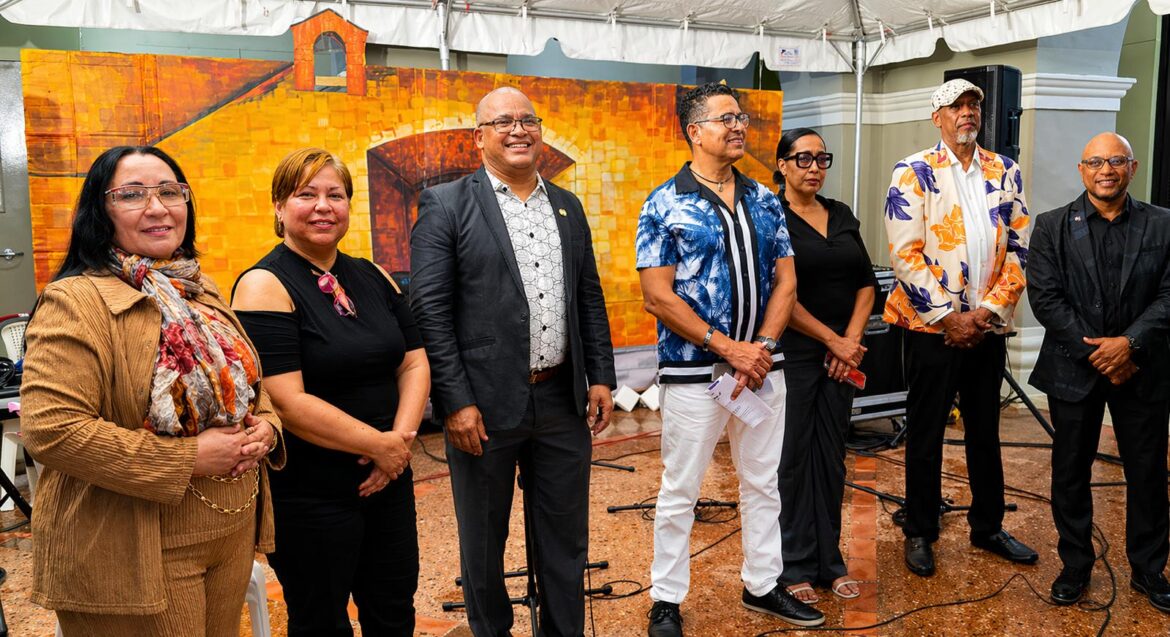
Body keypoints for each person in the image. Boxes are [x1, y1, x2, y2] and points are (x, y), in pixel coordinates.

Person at [20, 145, 283, 636]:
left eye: (169, 192)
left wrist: (267, 427)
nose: (157, 207)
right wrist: (189, 458)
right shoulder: (74, 301)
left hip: (229, 530)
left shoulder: (200, 287)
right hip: (132, 544)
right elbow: (52, 430)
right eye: (132, 194)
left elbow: (248, 385)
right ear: (100, 211)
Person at [409, 86, 616, 637]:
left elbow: (588, 296)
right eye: (503, 122)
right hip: (482, 405)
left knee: (565, 539)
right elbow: (429, 311)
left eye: (528, 120)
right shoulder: (446, 204)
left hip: (561, 400)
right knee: (483, 541)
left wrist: (600, 376)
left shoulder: (568, 206)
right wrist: (455, 401)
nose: (518, 130)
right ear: (479, 137)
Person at [636, 82, 823, 637]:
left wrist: (760, 348)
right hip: (696, 374)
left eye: (740, 118)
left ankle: (762, 584)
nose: (739, 126)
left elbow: (786, 283)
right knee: (681, 490)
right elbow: (657, 296)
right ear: (695, 131)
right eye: (726, 119)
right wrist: (728, 348)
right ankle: (666, 599)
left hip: (763, 370)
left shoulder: (765, 198)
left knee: (763, 482)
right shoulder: (663, 203)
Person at [232, 148, 429, 636]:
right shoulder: (263, 284)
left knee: (393, 610)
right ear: (279, 207)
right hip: (312, 492)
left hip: (389, 477)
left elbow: (413, 362)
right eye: (306, 194)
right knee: (321, 621)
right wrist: (379, 446)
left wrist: (397, 446)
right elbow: (286, 400)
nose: (323, 206)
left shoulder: (373, 275)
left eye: (335, 195)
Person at [883, 78, 1035, 578]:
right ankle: (920, 530)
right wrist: (949, 318)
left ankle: (988, 527)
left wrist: (985, 313)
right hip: (932, 328)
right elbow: (905, 255)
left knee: (985, 430)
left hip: (985, 328)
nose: (967, 112)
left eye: (973, 105)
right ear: (938, 118)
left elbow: (1020, 248)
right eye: (956, 106)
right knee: (926, 431)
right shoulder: (913, 171)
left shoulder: (1004, 170)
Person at [1028, 132, 1170, 612]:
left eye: (1115, 160)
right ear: (1081, 170)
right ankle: (1075, 565)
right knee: (1070, 471)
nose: (1105, 170)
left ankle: (1149, 569)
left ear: (1132, 167)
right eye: (1095, 162)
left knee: (1147, 472)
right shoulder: (1051, 226)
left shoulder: (1164, 224)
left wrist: (1128, 345)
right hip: (1074, 368)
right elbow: (1046, 298)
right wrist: (1100, 354)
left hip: (1142, 367)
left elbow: (1169, 295)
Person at [772, 128, 876, 603]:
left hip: (841, 356)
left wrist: (849, 342)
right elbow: (781, 295)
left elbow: (866, 283)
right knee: (792, 459)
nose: (814, 167)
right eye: (803, 158)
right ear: (782, 165)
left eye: (821, 159)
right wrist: (833, 341)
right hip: (794, 354)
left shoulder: (841, 214)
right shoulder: (771, 218)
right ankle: (791, 564)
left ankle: (829, 562)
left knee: (831, 459)